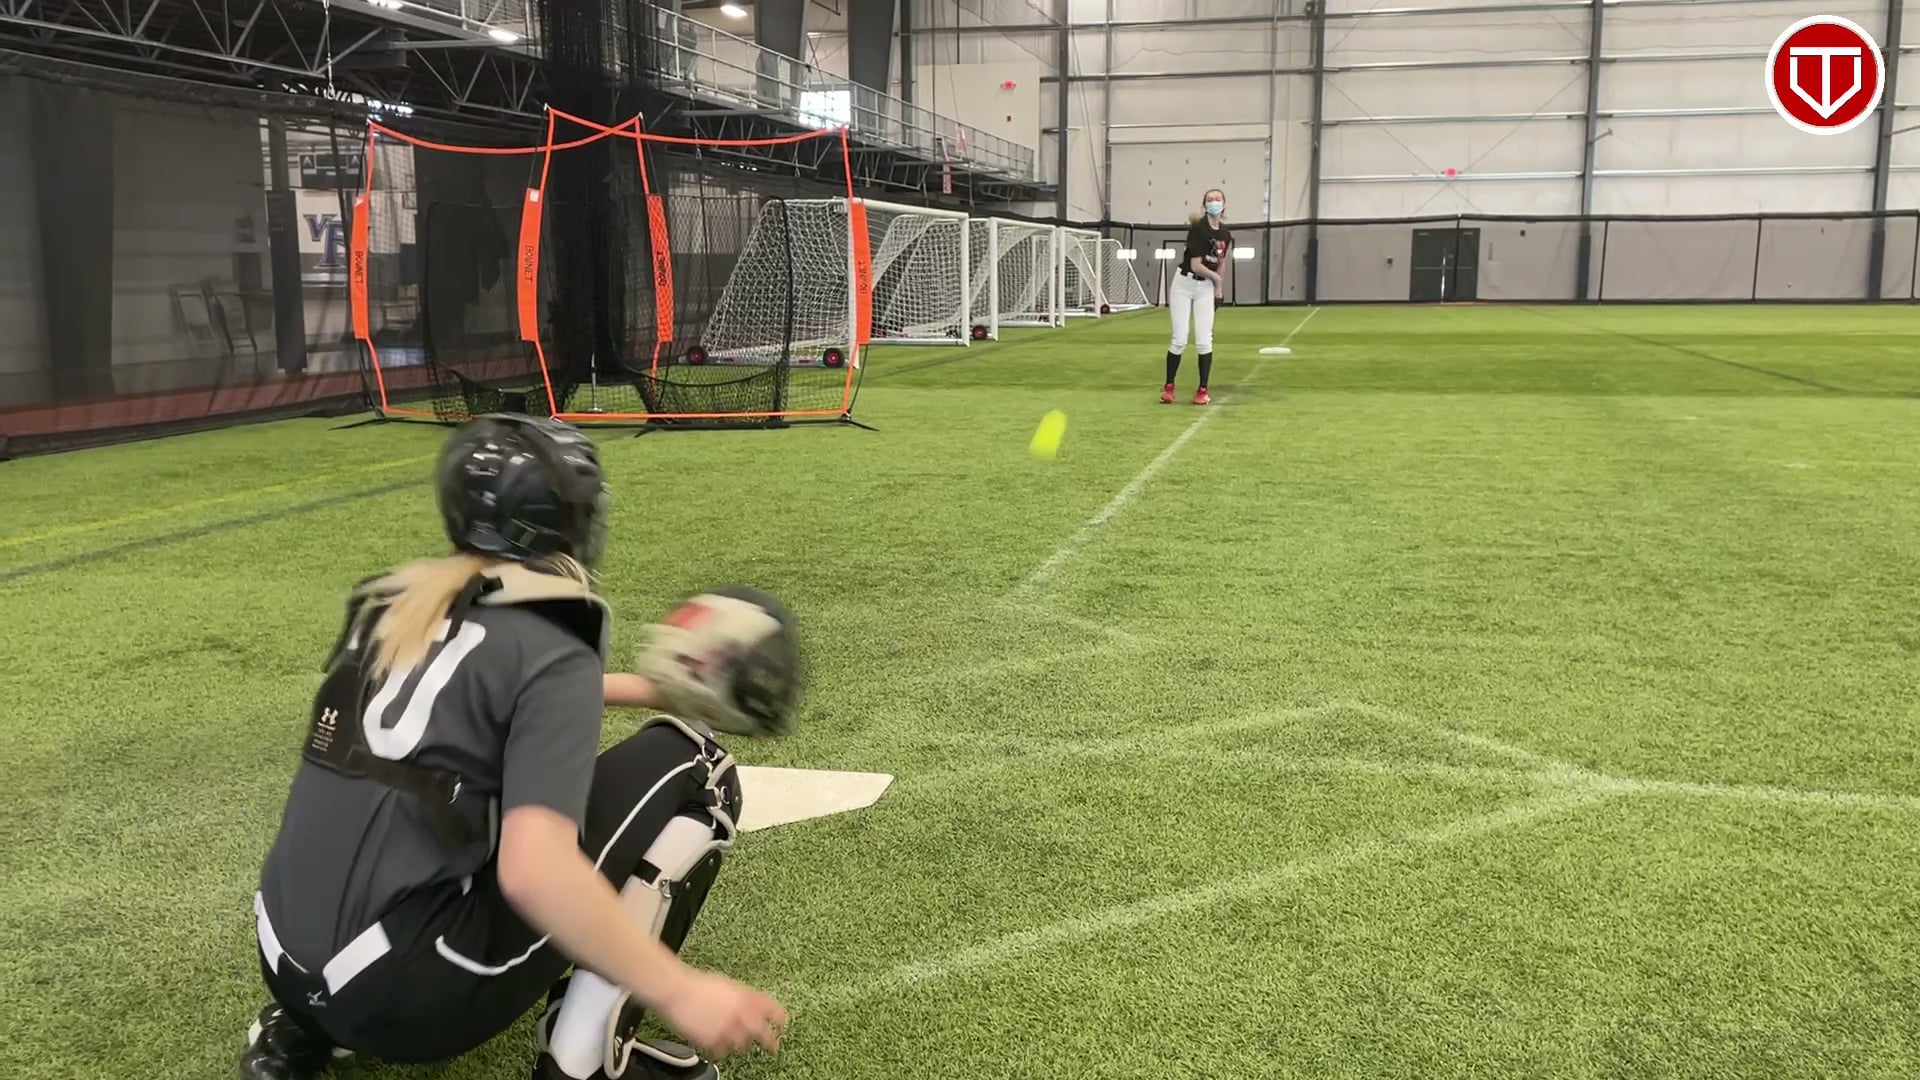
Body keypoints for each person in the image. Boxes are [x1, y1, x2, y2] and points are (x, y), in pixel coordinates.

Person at [239, 413, 801, 1080]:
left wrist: (652, 690)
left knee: (389, 799)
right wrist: (680, 989)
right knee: (699, 769)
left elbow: (475, 701)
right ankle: (582, 1061)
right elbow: (535, 872)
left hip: (284, 962)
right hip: (404, 998)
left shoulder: (398, 606)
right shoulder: (548, 645)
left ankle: (300, 1036)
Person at [1162, 187, 1232, 406]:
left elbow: (1222, 263)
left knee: (1204, 339)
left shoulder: (1225, 234)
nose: (1214, 202)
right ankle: (1169, 386)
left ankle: (1203, 389)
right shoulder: (1198, 229)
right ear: (1204, 205)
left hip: (1206, 287)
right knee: (1180, 338)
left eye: (1217, 199)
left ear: (1224, 204)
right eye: (1210, 199)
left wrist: (1218, 289)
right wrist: (1217, 280)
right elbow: (1196, 265)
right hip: (1184, 283)